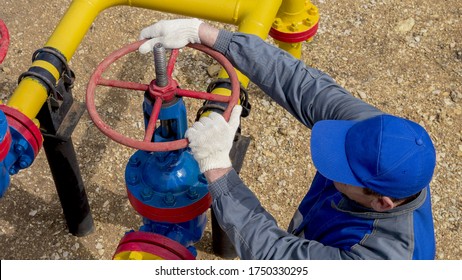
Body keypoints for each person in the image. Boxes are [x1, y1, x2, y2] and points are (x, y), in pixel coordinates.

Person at [138, 18, 437, 260]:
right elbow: (301, 85)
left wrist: (217, 167)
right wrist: (206, 33)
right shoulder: (377, 137)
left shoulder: (382, 259)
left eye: (342, 171)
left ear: (383, 204)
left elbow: (276, 254)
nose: (329, 164)